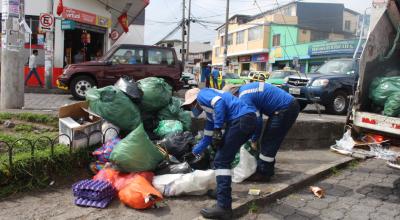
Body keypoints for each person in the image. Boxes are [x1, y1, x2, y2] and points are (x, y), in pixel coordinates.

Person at [181, 88, 257, 219]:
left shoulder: (202, 95)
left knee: (221, 160)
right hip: (247, 120)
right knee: (224, 157)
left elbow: (219, 102)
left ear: (195, 101)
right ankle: (221, 192)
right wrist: (194, 152)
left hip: (241, 120)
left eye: (190, 106)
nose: (191, 109)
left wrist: (218, 129)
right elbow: (207, 138)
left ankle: (224, 207)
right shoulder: (211, 115)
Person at [223, 82, 300, 181]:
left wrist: (254, 139)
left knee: (270, 140)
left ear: (233, 94)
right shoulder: (246, 89)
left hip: (285, 108)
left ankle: (264, 173)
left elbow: (257, 121)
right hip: (287, 106)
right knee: (270, 139)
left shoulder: (244, 97)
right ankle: (267, 168)